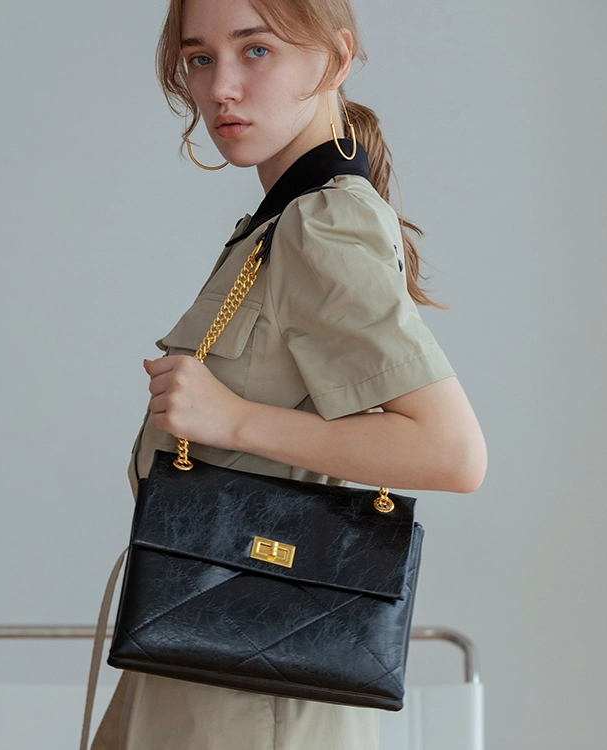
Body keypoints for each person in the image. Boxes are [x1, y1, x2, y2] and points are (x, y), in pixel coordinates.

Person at [90, 0, 487, 747]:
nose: (221, 87)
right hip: (197, 656)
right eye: (200, 57)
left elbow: (451, 452)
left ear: (335, 59)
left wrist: (233, 420)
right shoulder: (280, 225)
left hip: (250, 690)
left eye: (256, 51)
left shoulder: (320, 223)